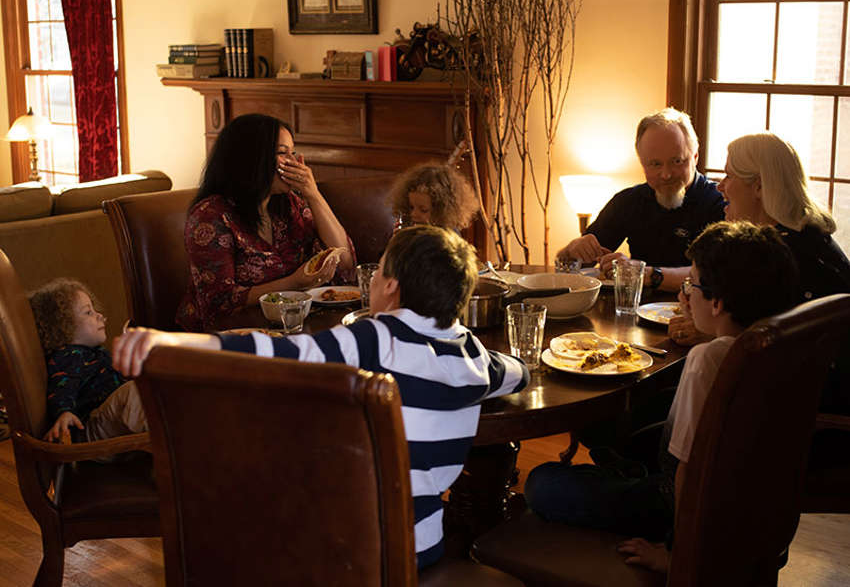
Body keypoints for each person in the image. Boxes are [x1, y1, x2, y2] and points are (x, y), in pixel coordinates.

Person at [113, 225, 529, 570]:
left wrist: (168, 341)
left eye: (378, 272)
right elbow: (518, 373)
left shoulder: (378, 338)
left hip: (343, 549)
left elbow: (277, 351)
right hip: (420, 548)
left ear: (391, 288)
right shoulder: (475, 358)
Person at [526, 221, 799, 573]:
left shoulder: (709, 361)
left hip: (675, 507)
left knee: (542, 483)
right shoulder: (773, 344)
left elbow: (688, 474)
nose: (683, 296)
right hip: (752, 512)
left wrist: (677, 555)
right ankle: (626, 475)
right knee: (610, 439)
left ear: (716, 302)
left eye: (691, 286)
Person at [176, 113, 356, 331]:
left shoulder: (291, 204)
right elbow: (219, 301)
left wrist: (313, 194)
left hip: (287, 328)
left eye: (293, 153)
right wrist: (295, 282)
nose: (294, 162)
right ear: (252, 158)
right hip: (227, 338)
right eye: (282, 153)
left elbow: (345, 262)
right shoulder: (210, 216)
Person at [669, 132, 850, 346]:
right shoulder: (803, 237)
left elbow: (776, 345)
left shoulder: (784, 256)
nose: (720, 186)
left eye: (729, 176)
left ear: (758, 186)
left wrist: (715, 335)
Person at [555, 108, 724, 291]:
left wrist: (645, 274)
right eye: (655, 164)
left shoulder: (719, 202)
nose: (666, 174)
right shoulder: (628, 201)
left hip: (699, 315)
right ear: (643, 165)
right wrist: (572, 251)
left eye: (677, 161)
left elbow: (719, 274)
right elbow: (573, 267)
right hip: (635, 311)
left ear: (695, 157)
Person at [29, 279, 147, 444]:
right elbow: (62, 386)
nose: (99, 315)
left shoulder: (95, 354)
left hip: (110, 423)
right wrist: (64, 412)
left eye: (94, 309)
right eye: (88, 312)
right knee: (133, 393)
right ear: (63, 325)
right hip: (88, 429)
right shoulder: (69, 356)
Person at [388, 160, 478, 230]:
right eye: (411, 207)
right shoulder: (411, 231)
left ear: (442, 211)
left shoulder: (448, 242)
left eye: (423, 210)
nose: (414, 214)